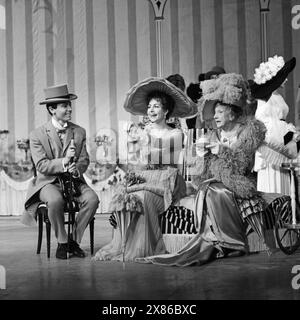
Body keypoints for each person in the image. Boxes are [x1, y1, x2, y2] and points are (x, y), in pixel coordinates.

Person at [136, 73, 268, 267]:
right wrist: (202, 155)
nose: (214, 116)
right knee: (207, 187)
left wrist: (219, 150)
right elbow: (201, 172)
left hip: (239, 180)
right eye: (214, 112)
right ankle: (219, 239)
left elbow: (241, 164)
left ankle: (232, 242)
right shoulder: (214, 133)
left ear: (231, 112)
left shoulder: (249, 131)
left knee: (214, 190)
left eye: (219, 112)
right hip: (213, 180)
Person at [93, 77, 198, 262]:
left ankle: (142, 248)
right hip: (145, 179)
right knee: (129, 197)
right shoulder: (141, 133)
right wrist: (133, 146)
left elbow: (163, 156)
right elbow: (136, 163)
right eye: (149, 106)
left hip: (167, 182)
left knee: (144, 197)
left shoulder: (175, 133)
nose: (151, 110)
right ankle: (125, 245)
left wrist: (144, 140)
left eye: (157, 106)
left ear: (166, 111)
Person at [21, 84, 99, 259]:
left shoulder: (79, 131)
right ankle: (62, 243)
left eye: (69, 104)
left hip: (74, 181)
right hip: (48, 182)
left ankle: (74, 241)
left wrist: (76, 169)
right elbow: (41, 165)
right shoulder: (37, 134)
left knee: (92, 199)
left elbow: (84, 159)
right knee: (55, 201)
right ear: (52, 109)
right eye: (64, 105)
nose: (69, 108)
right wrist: (64, 162)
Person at [251, 56, 299, 195]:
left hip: (282, 142)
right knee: (273, 186)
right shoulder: (265, 97)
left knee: (284, 185)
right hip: (271, 144)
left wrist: (290, 133)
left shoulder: (278, 96)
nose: (286, 79)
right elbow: (263, 120)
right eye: (283, 76)